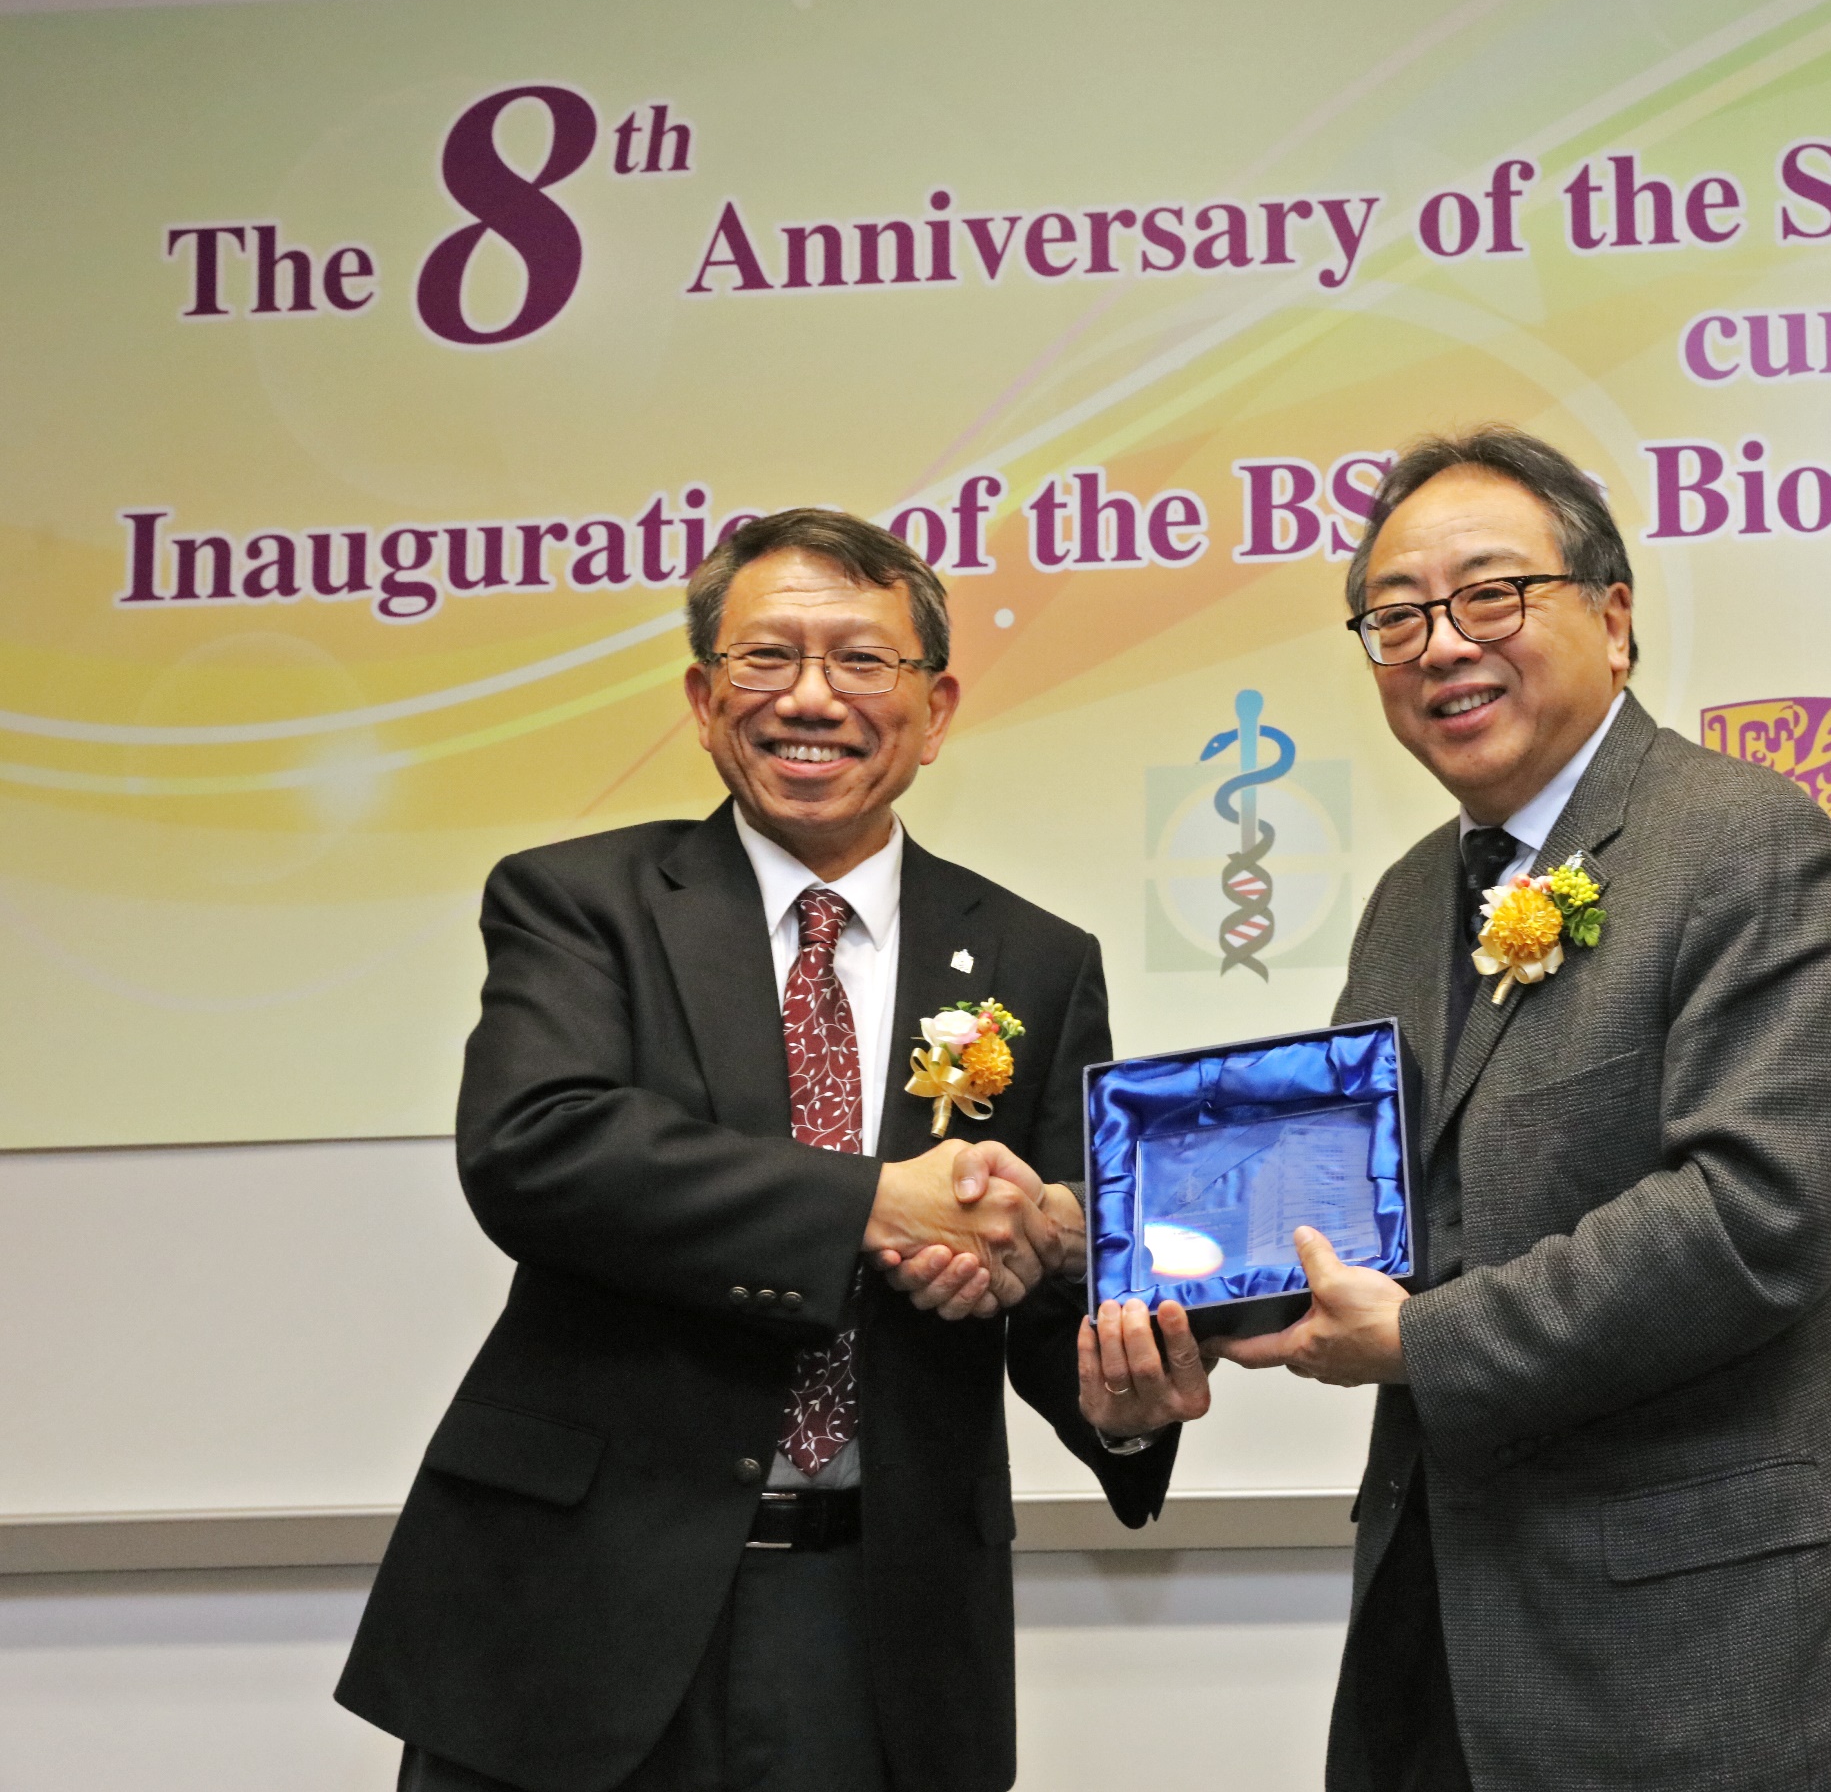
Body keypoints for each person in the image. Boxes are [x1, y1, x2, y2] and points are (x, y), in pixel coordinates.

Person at [338, 508, 1211, 1792]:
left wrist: (1118, 1400)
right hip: (581, 1603)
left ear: (935, 705)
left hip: (880, 1621)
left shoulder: (1036, 958)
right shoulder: (580, 900)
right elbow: (538, 1146)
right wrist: (876, 1205)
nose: (812, 698)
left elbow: (1042, 1265)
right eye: (766, 660)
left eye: (862, 661)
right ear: (703, 697)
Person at [1220, 428, 1831, 1789]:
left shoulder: (1742, 837)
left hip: (1708, 1640)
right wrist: (1140, 1273)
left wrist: (1424, 1337)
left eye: (1489, 594)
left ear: (1613, 618)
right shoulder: (1407, 896)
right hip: (1449, 1629)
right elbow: (1347, 1200)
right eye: (1396, 615)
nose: (1442, 643)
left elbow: (1756, 1213)